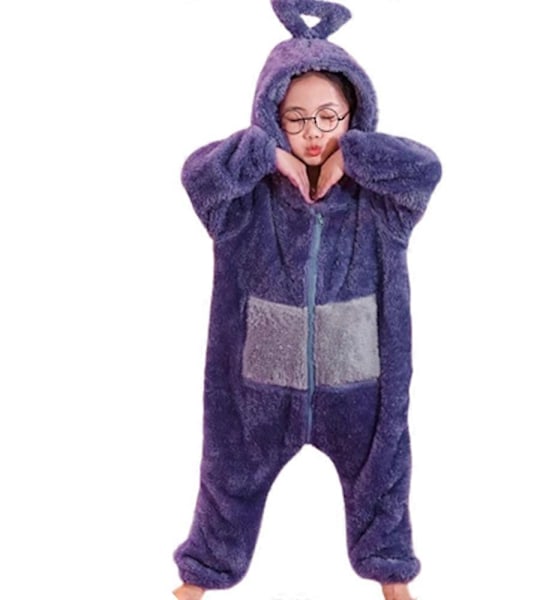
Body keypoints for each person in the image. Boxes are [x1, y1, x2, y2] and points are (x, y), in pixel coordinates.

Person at [172, 2, 441, 600]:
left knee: (383, 480)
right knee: (225, 482)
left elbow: (426, 167)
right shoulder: (240, 205)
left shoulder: (384, 205)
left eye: (328, 117)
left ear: (353, 114)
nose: (314, 133)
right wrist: (263, 155)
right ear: (272, 118)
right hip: (256, 390)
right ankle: (199, 577)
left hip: (361, 387)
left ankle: (392, 576)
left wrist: (356, 154)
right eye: (295, 119)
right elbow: (196, 174)